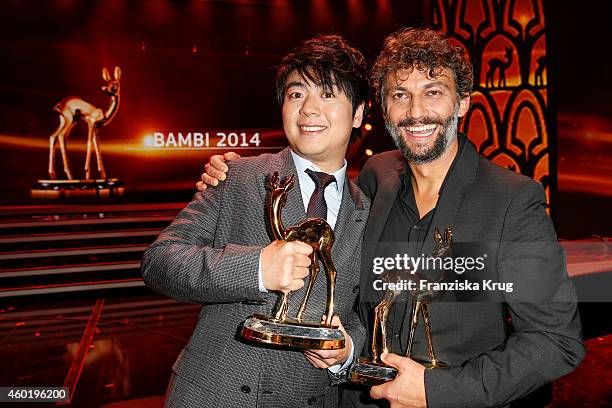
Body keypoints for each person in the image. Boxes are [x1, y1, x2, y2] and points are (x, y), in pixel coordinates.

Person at [198, 27, 584, 408]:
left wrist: (438, 391)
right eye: (401, 95)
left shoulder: (512, 200)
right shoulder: (375, 178)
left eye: (433, 92)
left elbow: (556, 341)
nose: (416, 113)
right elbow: (352, 293)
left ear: (462, 102)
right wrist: (232, 171)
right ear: (383, 107)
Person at [142, 34, 370, 408]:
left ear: (358, 112)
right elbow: (159, 262)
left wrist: (346, 352)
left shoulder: (368, 209)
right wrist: (256, 269)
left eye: (327, 94)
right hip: (216, 396)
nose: (308, 109)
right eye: (297, 94)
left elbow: (364, 312)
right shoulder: (237, 177)